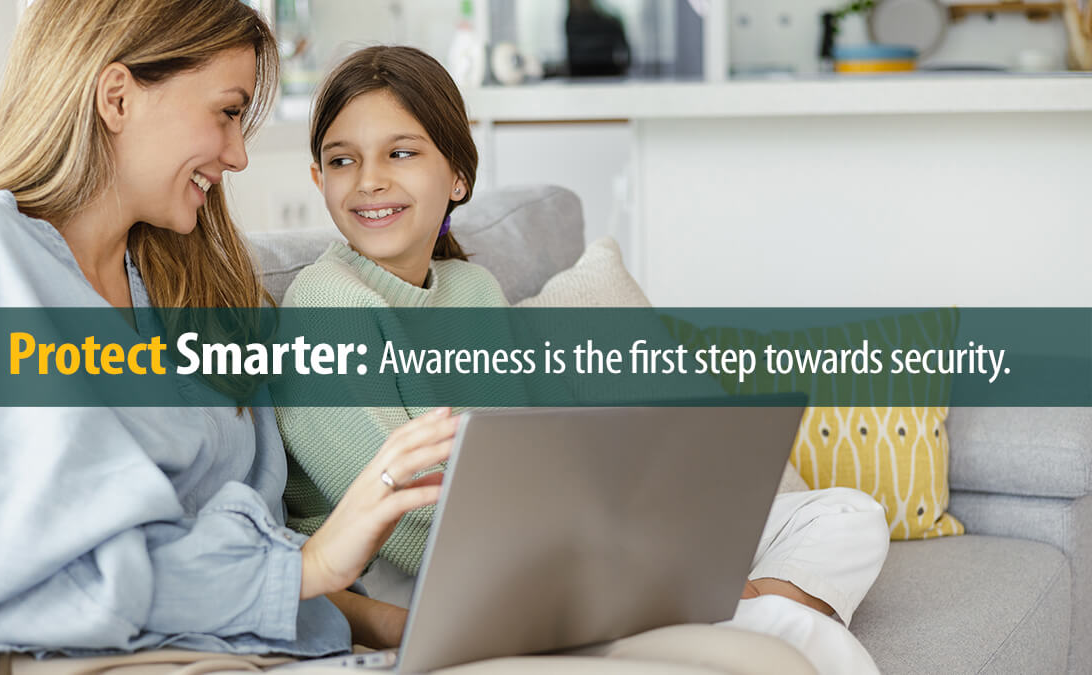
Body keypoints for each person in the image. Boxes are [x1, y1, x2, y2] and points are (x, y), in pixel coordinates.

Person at [277, 45, 891, 675]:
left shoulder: (471, 290)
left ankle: (732, 600)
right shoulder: (326, 305)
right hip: (413, 572)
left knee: (846, 514)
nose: (369, 180)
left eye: (400, 153)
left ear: (458, 176)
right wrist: (609, 560)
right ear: (319, 178)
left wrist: (623, 530)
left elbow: (518, 451)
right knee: (790, 634)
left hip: (529, 544)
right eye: (341, 160)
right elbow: (400, 519)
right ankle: (727, 608)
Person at [0, 2, 455, 673]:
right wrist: (308, 565)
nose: (239, 155)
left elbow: (275, 575)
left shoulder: (194, 291)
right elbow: (49, 589)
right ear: (118, 98)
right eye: (226, 112)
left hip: (275, 650)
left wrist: (404, 623)